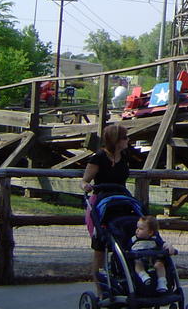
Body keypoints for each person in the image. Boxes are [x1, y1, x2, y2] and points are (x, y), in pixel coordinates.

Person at [81, 124, 130, 289]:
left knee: (125, 237)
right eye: (125, 138)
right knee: (100, 246)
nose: (128, 140)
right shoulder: (99, 157)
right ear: (116, 141)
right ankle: (100, 288)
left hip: (120, 200)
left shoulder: (124, 157)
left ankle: (124, 280)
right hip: (101, 202)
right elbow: (85, 180)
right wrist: (85, 186)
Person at [131, 215, 177, 293]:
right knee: (138, 263)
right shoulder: (133, 240)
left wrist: (169, 247)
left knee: (159, 264)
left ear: (150, 232)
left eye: (141, 229)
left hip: (154, 260)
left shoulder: (155, 239)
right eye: (137, 228)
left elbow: (163, 244)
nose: (137, 230)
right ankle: (144, 276)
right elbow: (127, 250)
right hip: (140, 260)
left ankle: (162, 282)